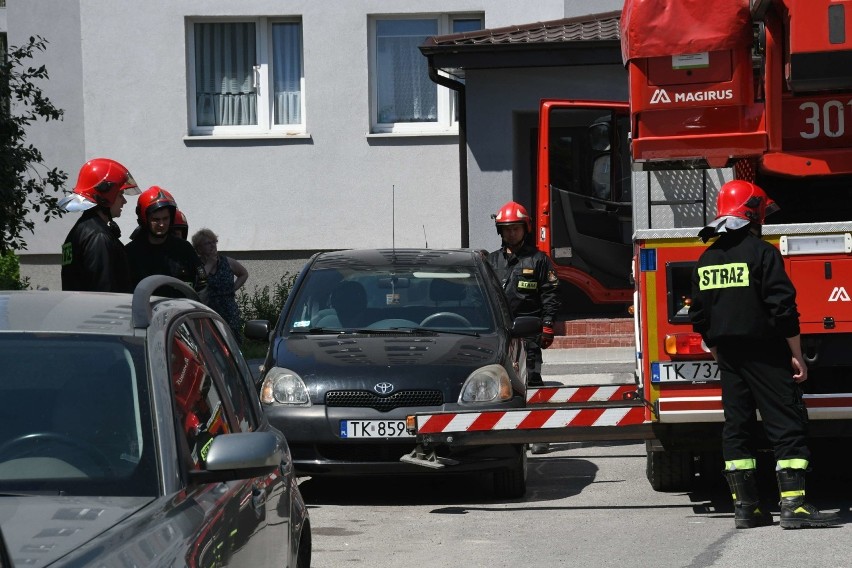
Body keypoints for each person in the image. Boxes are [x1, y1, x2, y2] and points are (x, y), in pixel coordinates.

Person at [689, 180, 840, 530]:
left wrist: (715, 346)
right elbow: (783, 309)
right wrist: (797, 354)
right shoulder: (763, 252)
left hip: (727, 355)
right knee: (786, 424)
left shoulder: (707, 257)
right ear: (753, 211)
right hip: (765, 352)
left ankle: (747, 508)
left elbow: (698, 314)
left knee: (736, 427)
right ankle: (795, 507)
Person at [487, 201, 560, 454]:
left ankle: (539, 434)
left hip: (529, 332)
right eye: (506, 229)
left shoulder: (539, 260)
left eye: (515, 229)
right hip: (500, 335)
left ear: (525, 228)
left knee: (534, 383)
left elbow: (550, 295)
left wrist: (548, 325)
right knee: (502, 385)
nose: (511, 233)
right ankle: (507, 433)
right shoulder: (490, 261)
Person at [59, 158, 141, 292]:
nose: (124, 201)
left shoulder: (80, 230)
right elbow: (105, 294)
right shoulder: (99, 237)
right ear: (105, 196)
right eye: (120, 194)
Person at [125, 186, 207, 297]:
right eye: (156, 220)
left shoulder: (184, 249)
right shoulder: (131, 252)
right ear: (145, 219)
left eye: (165, 218)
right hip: (146, 312)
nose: (162, 224)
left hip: (181, 312)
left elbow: (201, 287)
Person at [192, 228, 249, 343]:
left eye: (214, 242)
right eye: (208, 243)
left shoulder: (227, 261)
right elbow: (198, 282)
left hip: (228, 309)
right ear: (199, 248)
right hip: (208, 309)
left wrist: (233, 288)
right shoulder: (197, 265)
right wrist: (210, 264)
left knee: (231, 342)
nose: (213, 246)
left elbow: (244, 274)